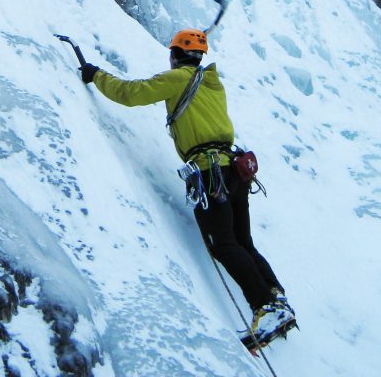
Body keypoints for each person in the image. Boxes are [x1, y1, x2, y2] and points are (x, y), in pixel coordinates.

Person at [79, 27, 295, 348]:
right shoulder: (213, 84)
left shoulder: (180, 79)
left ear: (176, 54)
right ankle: (276, 299)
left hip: (211, 173)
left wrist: (96, 75)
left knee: (223, 244)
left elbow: (131, 93)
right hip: (234, 171)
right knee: (242, 242)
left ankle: (265, 306)